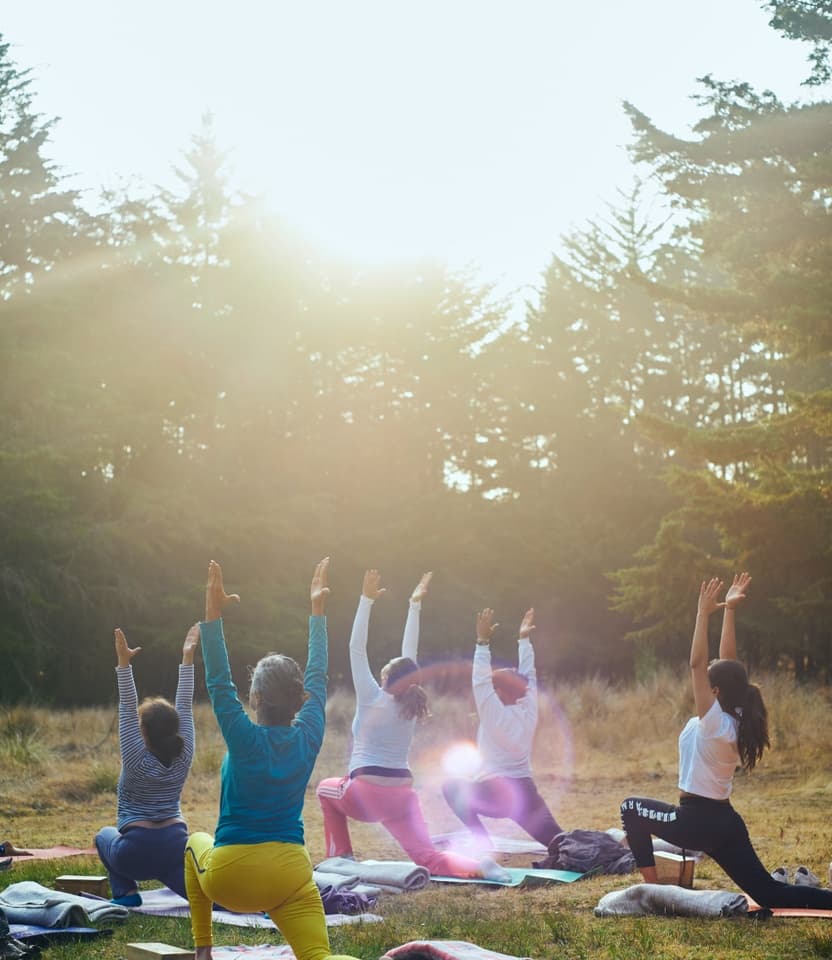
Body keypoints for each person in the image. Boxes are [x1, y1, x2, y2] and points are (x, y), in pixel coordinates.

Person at [620, 573, 832, 909]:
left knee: (630, 808)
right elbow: (727, 662)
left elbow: (696, 663)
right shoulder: (733, 714)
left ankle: (657, 893)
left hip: (695, 822)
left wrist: (703, 614)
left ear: (714, 690)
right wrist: (729, 611)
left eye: (710, 677)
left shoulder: (715, 722)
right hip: (724, 823)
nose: (707, 674)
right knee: (770, 894)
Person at [185, 559, 357, 960]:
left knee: (192, 843)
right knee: (319, 956)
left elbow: (218, 683)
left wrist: (212, 615)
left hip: (230, 879)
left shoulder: (243, 737)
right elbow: (317, 673)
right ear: (300, 699)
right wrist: (317, 613)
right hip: (290, 876)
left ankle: (203, 949)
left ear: (256, 699)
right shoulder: (309, 735)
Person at [316, 570, 505, 879]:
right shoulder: (409, 704)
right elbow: (410, 657)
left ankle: (342, 857)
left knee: (325, 791)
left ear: (388, 677)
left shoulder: (372, 698)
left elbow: (356, 647)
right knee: (426, 855)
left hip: (365, 793)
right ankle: (480, 866)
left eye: (386, 669)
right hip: (402, 795)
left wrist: (366, 600)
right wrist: (414, 606)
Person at [442, 607, 563, 849]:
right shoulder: (529, 709)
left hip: (494, 793)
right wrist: (524, 640)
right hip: (525, 794)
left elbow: (480, 682)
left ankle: (481, 841)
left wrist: (482, 641)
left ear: (499, 692)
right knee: (561, 843)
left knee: (451, 786)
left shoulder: (493, 714)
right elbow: (530, 675)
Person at [95, 623, 197, 905]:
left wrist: (123, 663)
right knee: (203, 895)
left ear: (143, 732)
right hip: (176, 846)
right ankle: (247, 902)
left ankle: (126, 893)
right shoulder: (184, 753)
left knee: (103, 836)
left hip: (135, 853)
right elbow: (185, 706)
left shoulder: (135, 758)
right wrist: (187, 659)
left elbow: (127, 706)